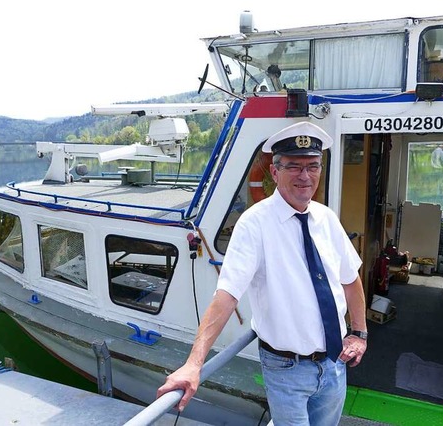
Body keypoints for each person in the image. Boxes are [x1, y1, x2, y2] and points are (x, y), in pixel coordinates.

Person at [157, 121, 368, 425]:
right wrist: (194, 364)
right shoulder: (253, 224)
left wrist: (359, 332)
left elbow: (350, 278)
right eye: (294, 166)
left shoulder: (326, 218)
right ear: (274, 172)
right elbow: (227, 296)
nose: (305, 176)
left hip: (335, 364)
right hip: (287, 369)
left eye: (313, 166)